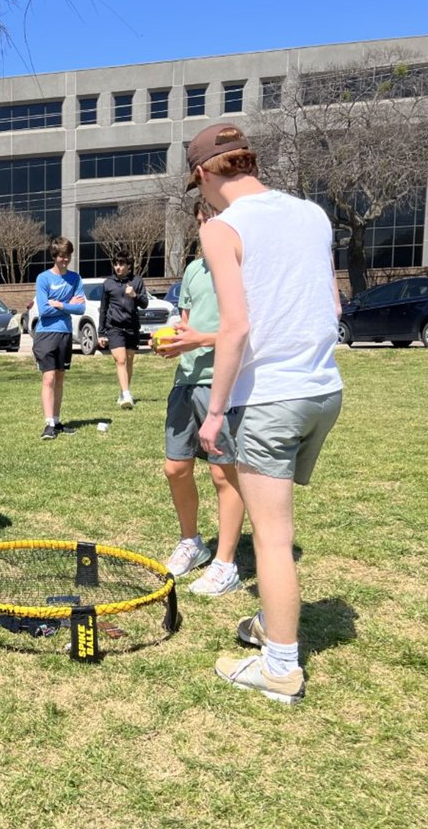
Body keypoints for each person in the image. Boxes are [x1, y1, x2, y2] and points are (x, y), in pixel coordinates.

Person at [189, 122, 344, 704]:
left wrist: (215, 413)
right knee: (277, 530)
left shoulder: (223, 228)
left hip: (270, 399)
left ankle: (280, 667)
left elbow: (236, 326)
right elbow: (330, 304)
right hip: (322, 391)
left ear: (204, 174)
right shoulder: (312, 214)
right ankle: (271, 623)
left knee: (273, 539)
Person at [155, 199, 245, 597]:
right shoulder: (193, 270)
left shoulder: (243, 268)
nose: (205, 226)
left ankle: (226, 563)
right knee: (176, 468)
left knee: (223, 473)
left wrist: (201, 340)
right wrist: (175, 342)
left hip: (223, 382)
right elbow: (187, 325)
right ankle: (192, 543)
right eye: (201, 220)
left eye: (212, 217)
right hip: (186, 381)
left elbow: (245, 330)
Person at [32, 236, 86, 439]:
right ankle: (48, 425)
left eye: (68, 255)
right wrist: (64, 304)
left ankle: (57, 420)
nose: (65, 259)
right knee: (49, 377)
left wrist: (61, 304)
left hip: (65, 333)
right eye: (62, 256)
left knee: (60, 377)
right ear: (55, 256)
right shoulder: (43, 278)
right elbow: (44, 310)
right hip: (46, 334)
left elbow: (80, 308)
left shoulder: (75, 278)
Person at [97, 249, 148, 409]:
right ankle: (127, 395)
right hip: (115, 327)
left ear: (129, 266)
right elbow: (103, 309)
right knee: (121, 360)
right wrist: (101, 332)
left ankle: (123, 391)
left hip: (132, 326)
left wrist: (135, 295)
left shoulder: (137, 281)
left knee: (129, 361)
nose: (118, 267)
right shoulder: (108, 283)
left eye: (121, 264)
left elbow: (145, 303)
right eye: (116, 264)